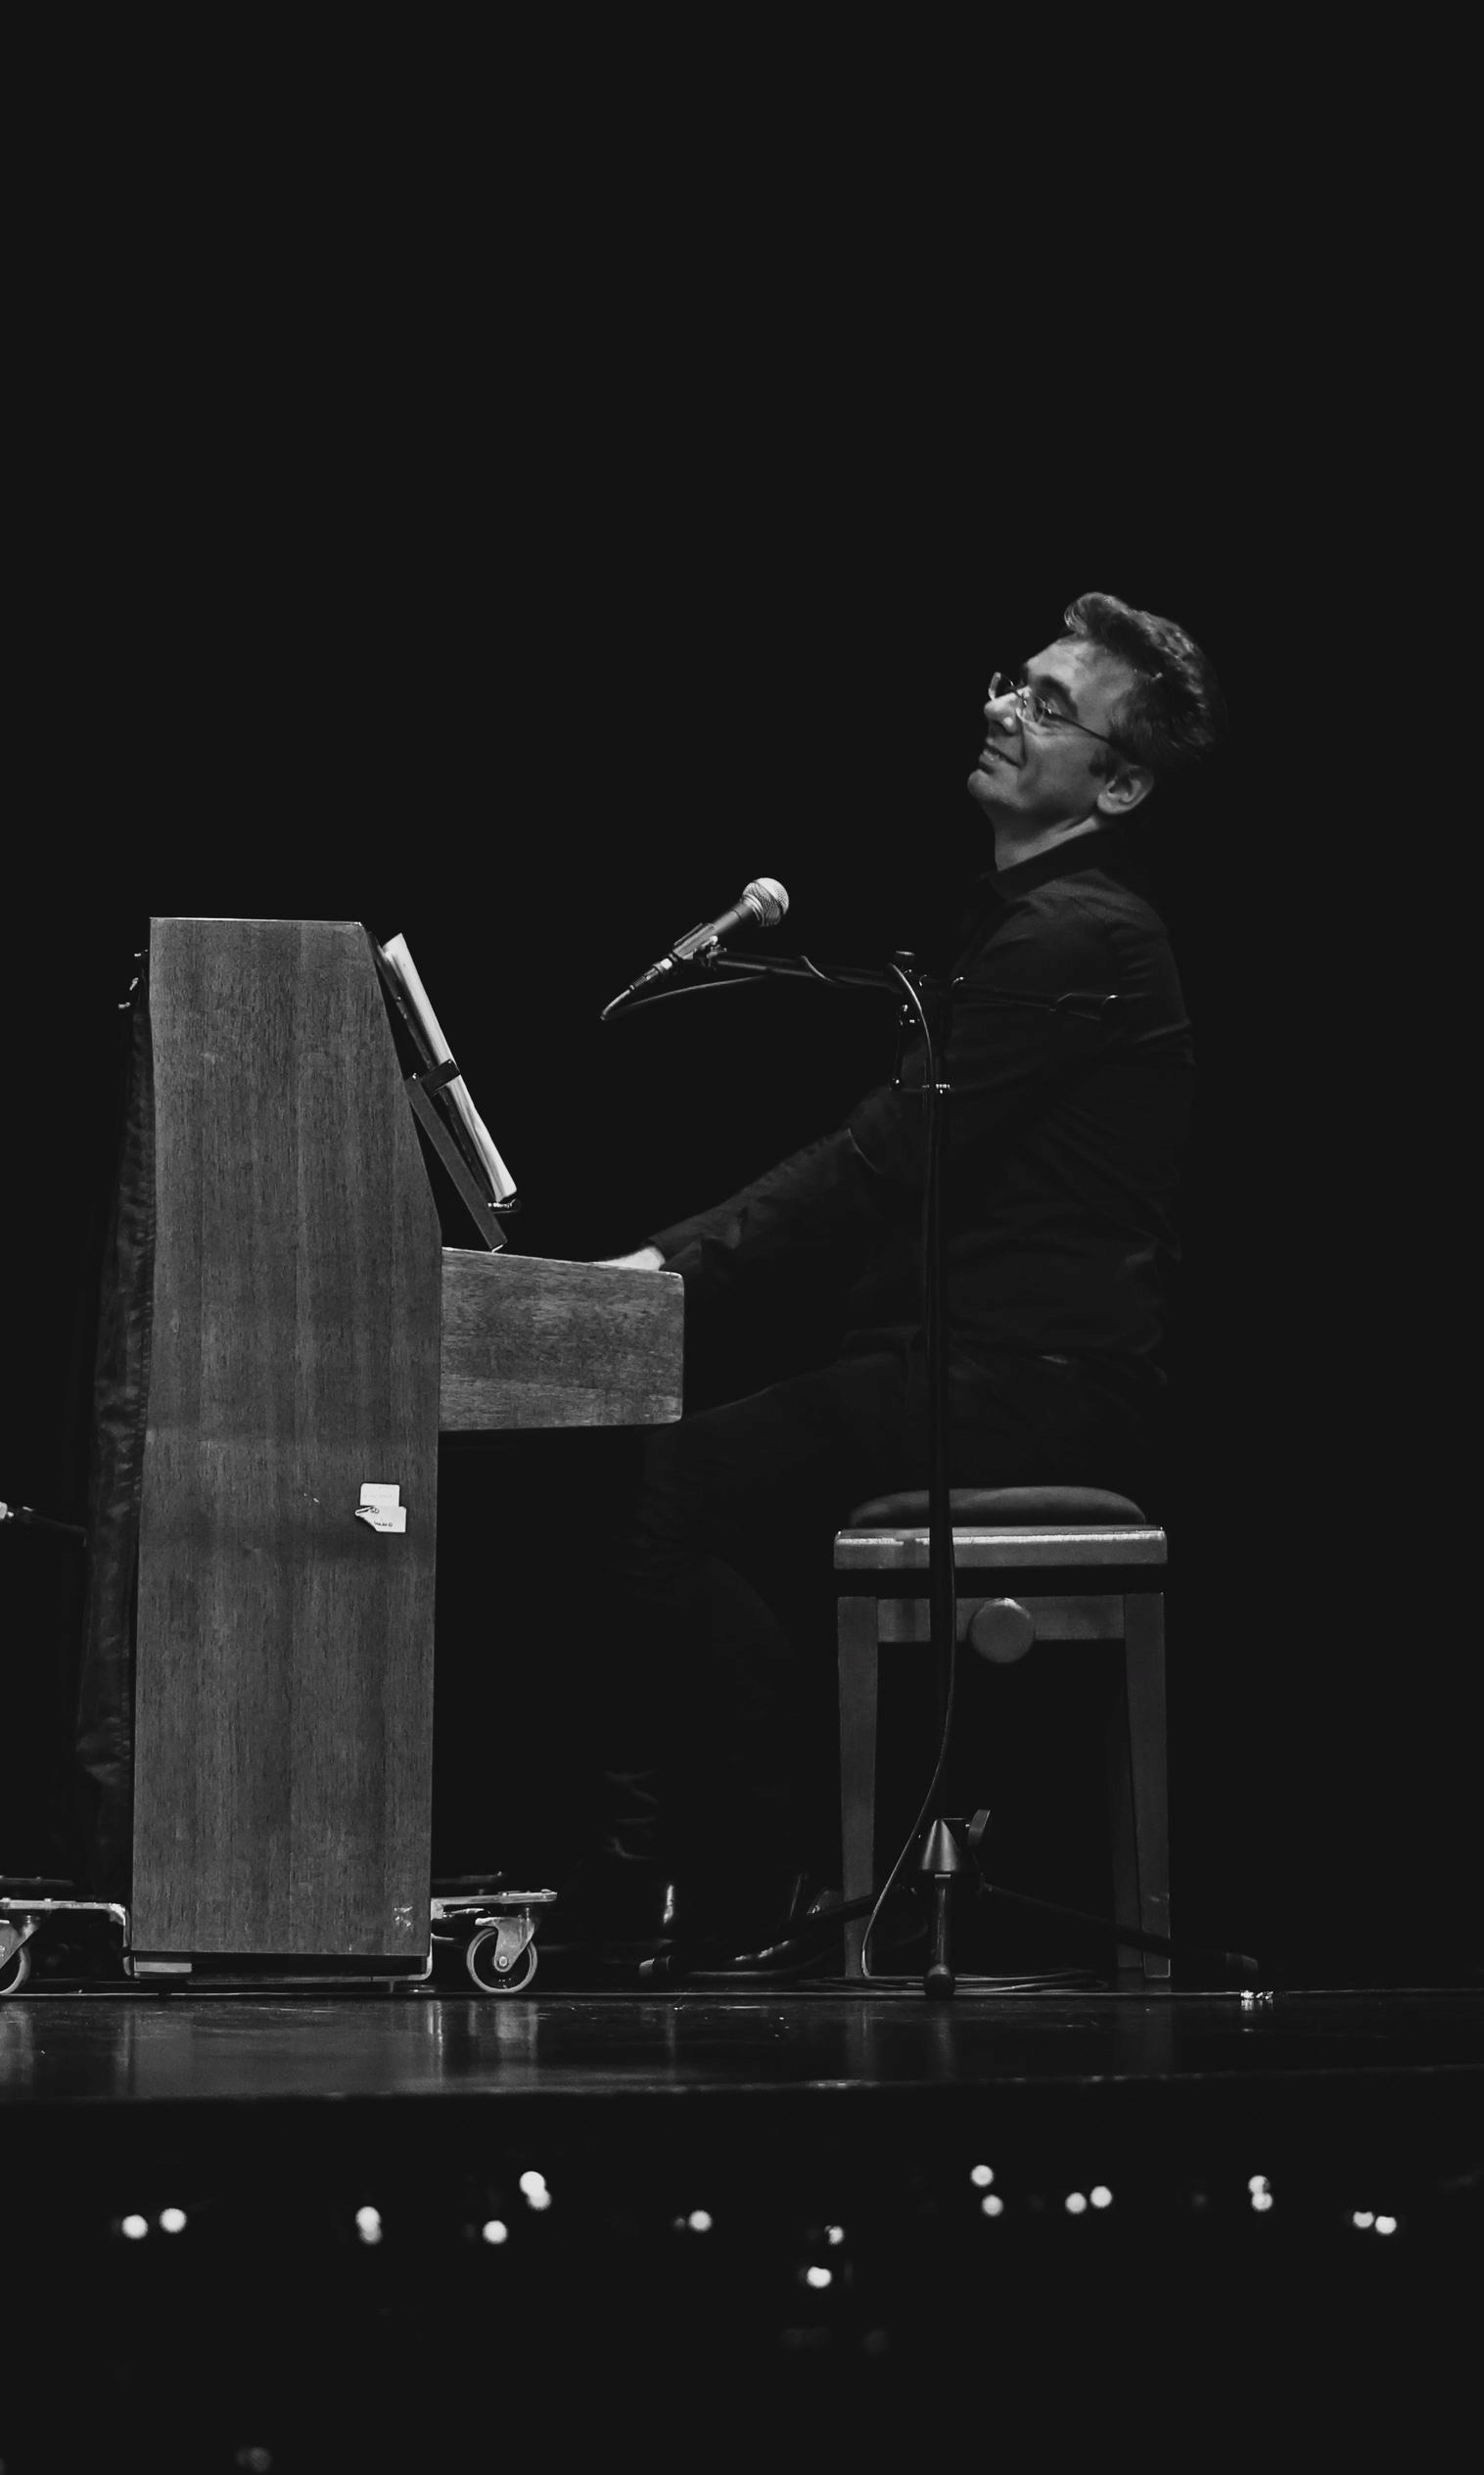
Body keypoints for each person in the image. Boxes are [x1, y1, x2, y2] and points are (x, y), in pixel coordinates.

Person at [570, 591, 1215, 1968]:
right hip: (974, 1370)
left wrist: (665, 1267)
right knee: (696, 1480)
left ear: (1121, 784)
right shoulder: (1028, 928)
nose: (1002, 709)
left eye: (1049, 705)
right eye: (1013, 682)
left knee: (672, 1488)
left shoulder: (1081, 934)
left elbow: (880, 1160)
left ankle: (752, 1882)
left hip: (1038, 1385)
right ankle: (774, 1871)